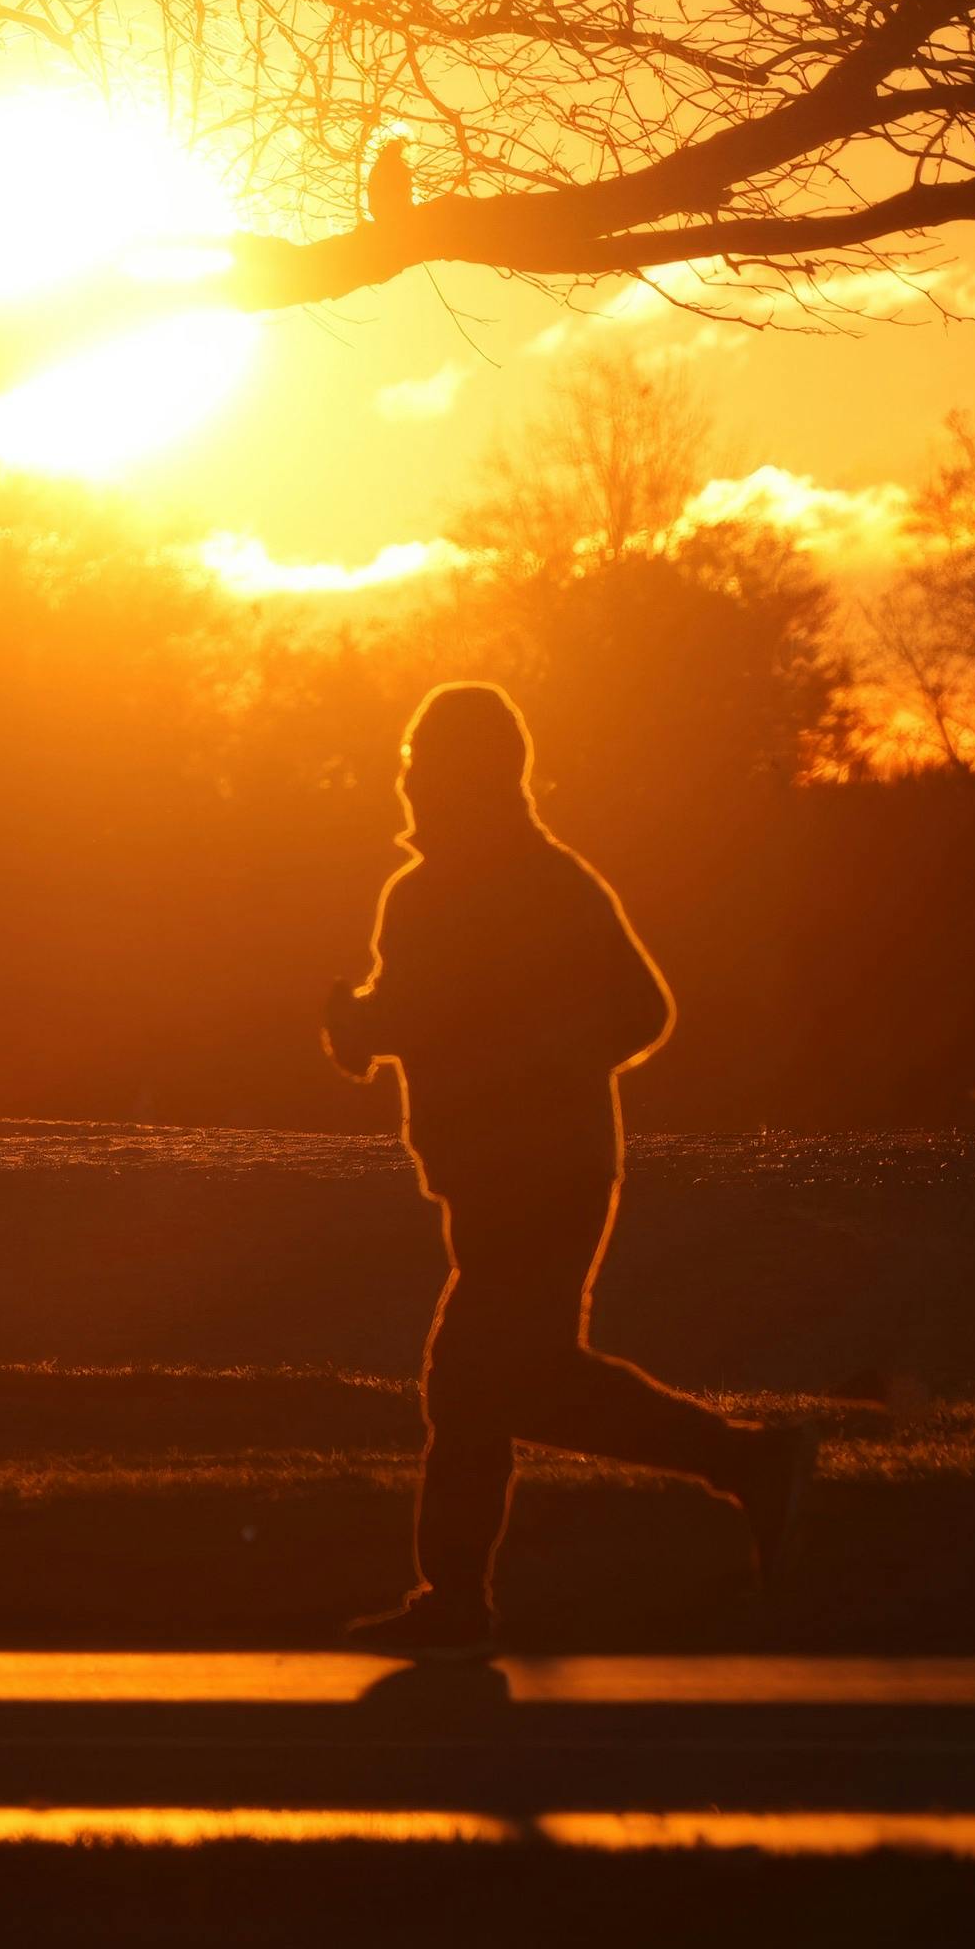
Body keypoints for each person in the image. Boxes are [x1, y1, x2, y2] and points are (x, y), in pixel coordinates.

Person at [320, 681, 813, 1656]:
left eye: (426, 767)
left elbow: (641, 1009)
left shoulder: (545, 884)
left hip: (546, 1177)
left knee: (467, 1382)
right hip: (490, 1178)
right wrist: (362, 1025)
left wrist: (537, 1054)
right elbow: (421, 1013)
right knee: (522, 1381)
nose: (409, 784)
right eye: (411, 765)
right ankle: (748, 1468)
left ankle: (457, 1602)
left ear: (473, 776)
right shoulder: (425, 894)